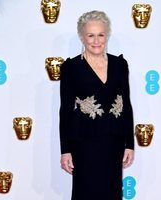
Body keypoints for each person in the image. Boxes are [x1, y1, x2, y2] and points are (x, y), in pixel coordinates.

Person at [59, 10, 134, 200]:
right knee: (86, 192)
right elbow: (65, 110)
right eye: (90, 35)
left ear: (106, 35)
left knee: (112, 192)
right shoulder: (71, 67)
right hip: (84, 143)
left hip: (113, 142)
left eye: (101, 35)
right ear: (82, 37)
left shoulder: (120, 64)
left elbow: (126, 104)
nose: (96, 41)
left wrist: (130, 144)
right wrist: (65, 150)